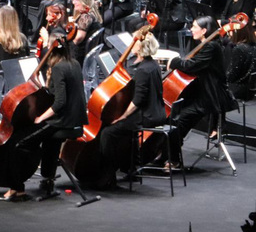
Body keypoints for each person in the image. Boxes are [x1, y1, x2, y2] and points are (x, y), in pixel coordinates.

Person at [0, 31, 87, 201]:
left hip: (61, 121)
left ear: (52, 47)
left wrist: (40, 118)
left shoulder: (59, 68)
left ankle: (17, 189)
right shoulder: (73, 63)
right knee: (44, 141)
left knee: (18, 142)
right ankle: (47, 181)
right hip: (75, 120)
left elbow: (60, 103)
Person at [97, 32, 166, 188]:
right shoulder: (153, 65)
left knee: (108, 132)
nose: (130, 45)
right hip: (158, 112)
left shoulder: (142, 70)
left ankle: (108, 176)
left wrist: (123, 115)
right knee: (126, 130)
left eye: (134, 43)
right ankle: (131, 168)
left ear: (141, 47)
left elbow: (138, 100)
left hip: (147, 116)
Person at [166, 16, 237, 167]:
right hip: (202, 92)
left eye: (194, 27)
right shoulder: (206, 44)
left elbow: (193, 65)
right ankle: (166, 153)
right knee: (174, 117)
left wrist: (174, 61)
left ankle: (174, 159)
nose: (191, 29)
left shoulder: (211, 46)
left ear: (204, 30)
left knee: (179, 120)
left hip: (211, 96)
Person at [69, 0, 102, 65]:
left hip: (79, 55)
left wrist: (67, 47)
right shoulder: (91, 13)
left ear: (84, 1)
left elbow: (78, 38)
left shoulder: (86, 17)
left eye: (76, 0)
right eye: (73, 0)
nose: (73, 2)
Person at [227, 24, 256, 101]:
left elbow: (232, 76)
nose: (229, 33)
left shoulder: (239, 49)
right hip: (249, 87)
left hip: (238, 89)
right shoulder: (253, 46)